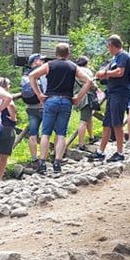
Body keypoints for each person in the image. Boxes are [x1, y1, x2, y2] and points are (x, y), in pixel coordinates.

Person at [29, 43, 92, 174]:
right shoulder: (73, 66)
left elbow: (32, 76)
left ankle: (42, 162)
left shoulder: (49, 65)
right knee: (61, 133)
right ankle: (57, 162)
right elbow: (88, 81)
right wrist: (78, 97)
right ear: (68, 54)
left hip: (51, 100)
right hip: (66, 101)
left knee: (46, 133)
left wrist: (39, 94)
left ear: (56, 53)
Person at [90, 35, 129, 162]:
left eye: (109, 47)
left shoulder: (123, 56)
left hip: (120, 93)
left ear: (112, 45)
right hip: (111, 93)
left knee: (117, 123)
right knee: (107, 123)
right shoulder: (114, 58)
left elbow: (120, 72)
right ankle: (101, 151)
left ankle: (120, 152)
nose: (108, 49)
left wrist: (106, 74)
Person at [21, 54, 47, 171]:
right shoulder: (41, 74)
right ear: (36, 62)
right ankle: (43, 160)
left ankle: (33, 158)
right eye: (41, 60)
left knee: (33, 134)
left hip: (30, 107)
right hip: (43, 106)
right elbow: (45, 89)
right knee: (46, 134)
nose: (43, 61)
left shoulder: (25, 75)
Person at [0, 77, 17, 183]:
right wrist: (13, 117)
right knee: (3, 156)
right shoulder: (6, 97)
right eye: (9, 85)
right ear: (5, 86)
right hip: (6, 128)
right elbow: (11, 106)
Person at [71, 57, 97, 147]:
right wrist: (96, 89)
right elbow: (92, 84)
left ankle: (91, 137)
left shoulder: (74, 71)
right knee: (83, 120)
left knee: (88, 117)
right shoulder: (87, 71)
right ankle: (81, 143)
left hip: (77, 96)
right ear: (86, 63)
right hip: (86, 97)